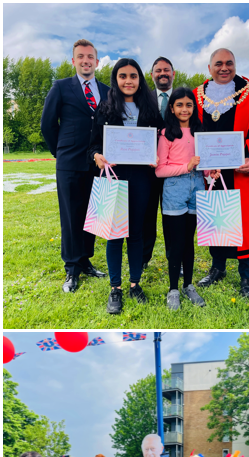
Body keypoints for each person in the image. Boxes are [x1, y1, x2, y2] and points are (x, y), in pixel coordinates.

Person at [193, 48, 249, 299]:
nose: (224, 68)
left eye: (229, 63)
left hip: (239, 171)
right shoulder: (198, 95)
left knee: (243, 222)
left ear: (235, 65)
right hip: (211, 172)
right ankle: (218, 268)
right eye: (218, 64)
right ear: (210, 68)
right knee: (214, 217)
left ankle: (247, 276)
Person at [89, 57, 164, 315]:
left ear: (139, 80)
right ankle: (115, 288)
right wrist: (96, 155)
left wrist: (158, 156)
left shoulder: (150, 108)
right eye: (123, 76)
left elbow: (161, 140)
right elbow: (94, 144)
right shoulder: (106, 107)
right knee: (114, 233)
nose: (128, 81)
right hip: (115, 177)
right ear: (116, 79)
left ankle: (134, 284)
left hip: (143, 178)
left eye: (133, 76)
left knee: (137, 232)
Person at [40, 38, 108, 293]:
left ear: (97, 61)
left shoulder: (106, 90)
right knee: (70, 217)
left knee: (92, 216)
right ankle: (71, 269)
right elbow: (48, 125)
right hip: (69, 163)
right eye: (80, 56)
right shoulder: (60, 87)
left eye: (90, 57)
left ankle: (85, 261)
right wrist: (60, 151)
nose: (85, 61)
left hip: (97, 164)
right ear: (73, 61)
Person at [155, 86, 207, 310]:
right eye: (179, 105)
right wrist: (186, 167)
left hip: (198, 188)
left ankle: (188, 285)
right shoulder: (166, 134)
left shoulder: (200, 132)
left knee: (189, 242)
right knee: (175, 243)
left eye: (189, 104)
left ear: (194, 107)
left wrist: (210, 171)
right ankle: (173, 289)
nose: (185, 109)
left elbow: (204, 162)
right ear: (172, 108)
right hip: (174, 190)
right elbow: (159, 170)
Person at [143, 56, 176, 271]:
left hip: (175, 170)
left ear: (173, 73)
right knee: (146, 217)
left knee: (174, 219)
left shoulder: (184, 98)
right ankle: (143, 258)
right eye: (158, 70)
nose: (162, 73)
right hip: (146, 169)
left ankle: (176, 260)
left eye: (166, 70)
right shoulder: (142, 99)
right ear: (152, 75)